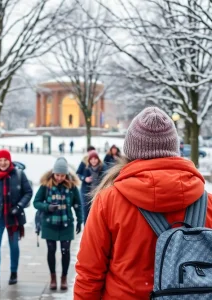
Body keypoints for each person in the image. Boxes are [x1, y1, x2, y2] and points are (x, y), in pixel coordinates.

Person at [74, 107, 212, 299]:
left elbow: (90, 273)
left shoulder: (109, 201)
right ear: (174, 148)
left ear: (131, 151)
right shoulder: (207, 202)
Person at [0, 149, 33, 289]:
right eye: (0, 160)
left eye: (5, 160)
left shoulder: (19, 175)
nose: (2, 163)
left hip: (13, 217)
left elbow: (28, 192)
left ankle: (13, 272)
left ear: (9, 160)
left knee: (14, 246)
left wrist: (19, 206)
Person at [33, 157, 83, 291]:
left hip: (66, 224)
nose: (59, 178)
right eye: (57, 175)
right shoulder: (46, 186)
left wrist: (80, 220)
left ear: (66, 174)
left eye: (62, 175)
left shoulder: (72, 187)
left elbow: (78, 205)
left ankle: (64, 277)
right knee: (51, 251)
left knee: (65, 252)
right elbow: (36, 202)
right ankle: (53, 277)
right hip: (49, 224)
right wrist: (47, 207)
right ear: (53, 173)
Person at [82, 151, 107, 224]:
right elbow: (80, 175)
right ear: (89, 160)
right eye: (91, 159)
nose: (93, 161)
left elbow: (105, 179)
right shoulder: (86, 168)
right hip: (88, 193)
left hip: (99, 193)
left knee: (97, 213)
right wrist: (85, 178)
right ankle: (86, 227)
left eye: (95, 159)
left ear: (98, 159)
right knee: (87, 212)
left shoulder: (103, 167)